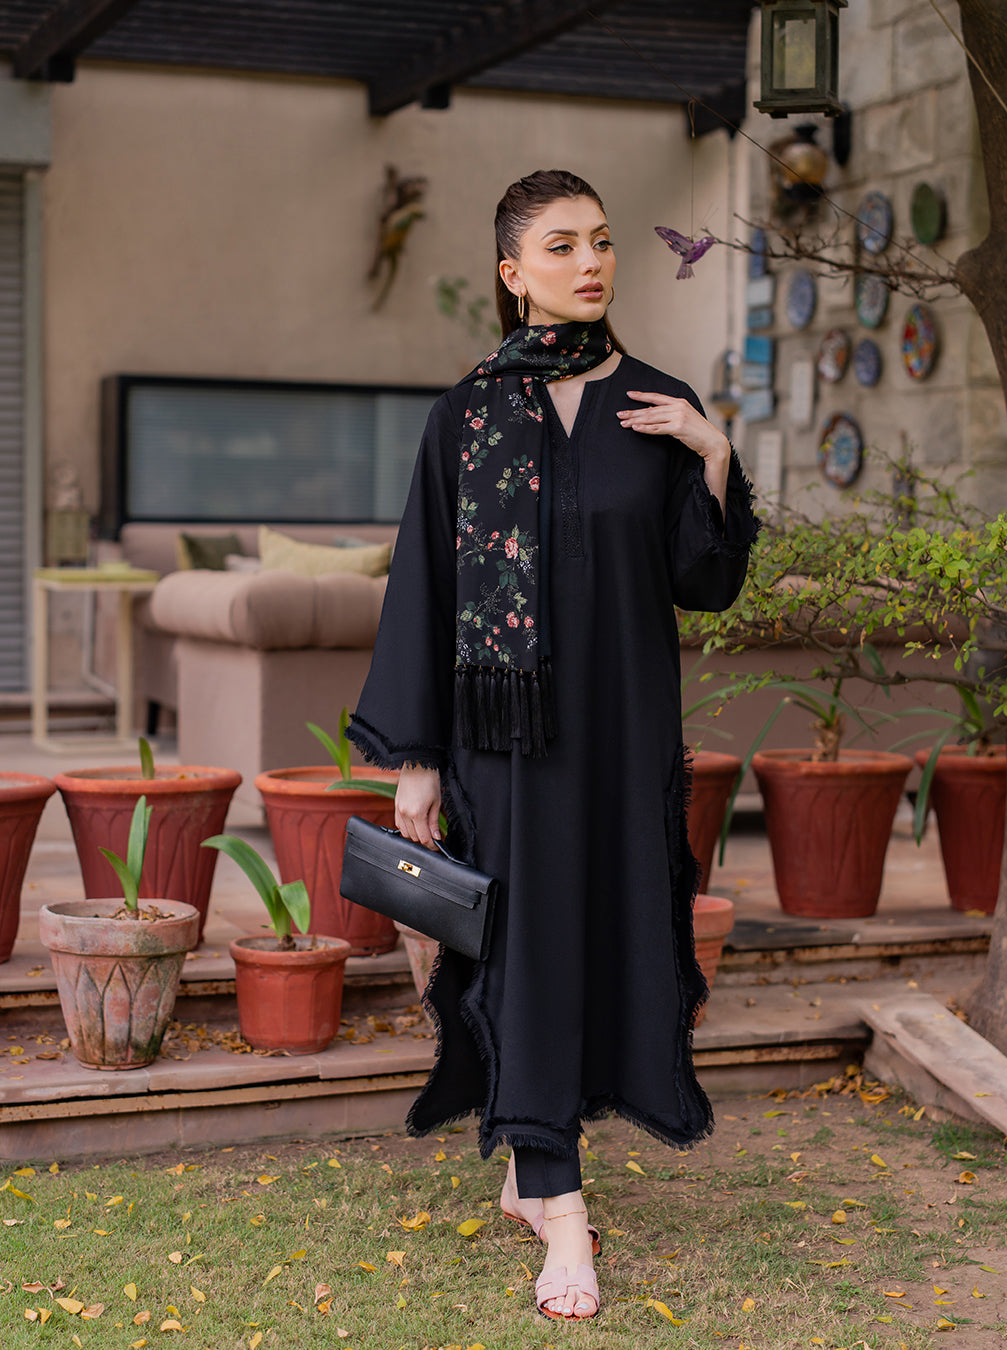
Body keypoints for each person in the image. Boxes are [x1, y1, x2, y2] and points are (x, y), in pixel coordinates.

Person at [349, 168, 758, 1321]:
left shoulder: (659, 406)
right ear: (513, 272)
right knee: (525, 956)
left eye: (605, 242)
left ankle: (533, 1167)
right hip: (506, 748)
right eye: (564, 245)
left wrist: (713, 452)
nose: (592, 263)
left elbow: (704, 582)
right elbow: (425, 590)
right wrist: (417, 756)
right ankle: (562, 1210)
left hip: (625, 736)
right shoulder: (466, 418)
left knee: (604, 949)